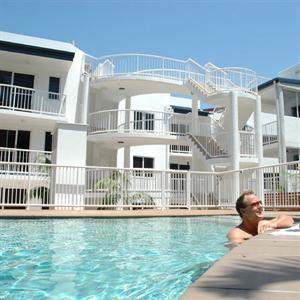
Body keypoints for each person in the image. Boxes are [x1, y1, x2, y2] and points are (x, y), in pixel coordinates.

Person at [227, 191, 294, 245]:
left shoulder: (265, 224)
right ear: (243, 211)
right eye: (254, 204)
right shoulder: (236, 234)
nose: (260, 207)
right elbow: (239, 253)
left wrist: (274, 224)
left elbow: (288, 219)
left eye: (259, 203)